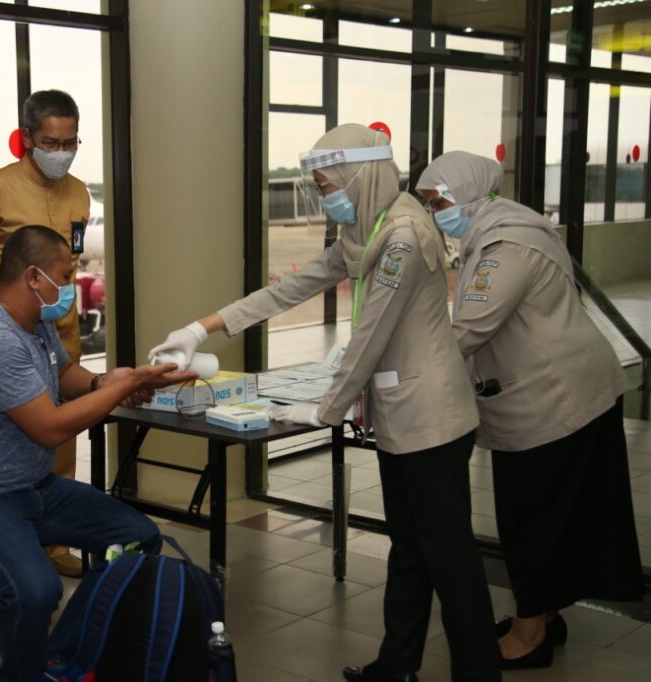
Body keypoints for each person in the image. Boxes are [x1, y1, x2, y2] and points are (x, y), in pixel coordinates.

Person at [150, 124, 501, 682]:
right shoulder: (367, 231)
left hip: (432, 419)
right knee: (410, 549)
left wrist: (324, 410)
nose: (325, 197)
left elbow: (372, 333)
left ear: (361, 176)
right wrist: (200, 328)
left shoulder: (405, 235)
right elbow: (288, 289)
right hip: (402, 414)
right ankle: (396, 668)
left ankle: (479, 674)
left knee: (450, 560)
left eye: (327, 185)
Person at [0, 225, 194, 682]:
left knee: (138, 539)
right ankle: (25, 674)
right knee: (35, 591)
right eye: (65, 275)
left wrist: (105, 382)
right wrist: (125, 387)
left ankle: (65, 652)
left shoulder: (36, 322)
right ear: (34, 277)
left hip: (35, 488)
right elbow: (50, 428)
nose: (71, 286)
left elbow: (65, 374)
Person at [417, 151, 644, 670]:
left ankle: (530, 636)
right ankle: (543, 615)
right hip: (562, 394)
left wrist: (402, 371)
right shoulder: (502, 228)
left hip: (557, 401)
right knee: (552, 515)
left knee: (534, 520)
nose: (435, 213)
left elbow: (468, 330)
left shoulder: (505, 247)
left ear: (470, 194)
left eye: (440, 202)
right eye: (429, 204)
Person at [0, 89, 91, 577]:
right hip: (9, 341)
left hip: (61, 335)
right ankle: (4, 554)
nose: (61, 153)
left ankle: (52, 546)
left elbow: (71, 259)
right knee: (6, 449)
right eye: (51, 143)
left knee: (59, 444)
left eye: (70, 143)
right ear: (28, 138)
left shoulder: (80, 193)